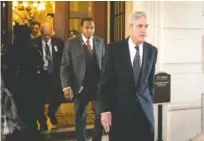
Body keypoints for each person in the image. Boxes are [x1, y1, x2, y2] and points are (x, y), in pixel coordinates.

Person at [99, 11, 158, 141]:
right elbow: (105, 84)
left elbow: (150, 83)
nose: (144, 30)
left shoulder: (152, 51)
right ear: (130, 27)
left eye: (146, 26)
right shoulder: (114, 49)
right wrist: (105, 110)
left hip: (145, 114)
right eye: (139, 26)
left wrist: (148, 101)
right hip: (120, 114)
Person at [60, 18, 105, 141]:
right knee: (80, 116)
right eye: (87, 28)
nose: (90, 30)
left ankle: (97, 139)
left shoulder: (100, 42)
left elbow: (105, 64)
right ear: (81, 28)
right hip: (80, 86)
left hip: (97, 86)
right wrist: (66, 86)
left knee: (100, 115)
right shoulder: (71, 43)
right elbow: (65, 66)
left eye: (92, 28)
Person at [30, 23, 64, 130]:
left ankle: (51, 112)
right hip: (40, 75)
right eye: (44, 35)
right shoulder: (34, 43)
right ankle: (42, 120)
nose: (47, 37)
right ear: (41, 33)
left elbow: (63, 58)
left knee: (60, 95)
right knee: (38, 99)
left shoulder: (58, 42)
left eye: (49, 35)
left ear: (52, 32)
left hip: (55, 74)